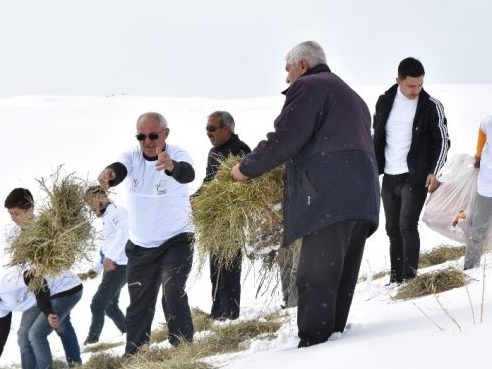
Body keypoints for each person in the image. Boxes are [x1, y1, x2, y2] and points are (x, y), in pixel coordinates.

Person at [231, 41, 380, 348]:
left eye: (288, 69)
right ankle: (333, 339)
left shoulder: (310, 86)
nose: (286, 79)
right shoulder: (350, 95)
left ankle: (313, 346)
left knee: (314, 277)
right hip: (361, 197)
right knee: (340, 277)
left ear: (302, 65)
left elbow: (286, 138)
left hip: (330, 196)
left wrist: (245, 168)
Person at [98, 111, 195, 355]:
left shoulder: (179, 154)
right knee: (139, 304)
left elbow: (188, 174)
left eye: (153, 135)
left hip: (177, 240)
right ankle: (135, 354)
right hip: (141, 246)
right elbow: (119, 168)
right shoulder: (132, 157)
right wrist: (110, 173)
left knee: (172, 290)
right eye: (142, 136)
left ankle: (182, 348)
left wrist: (171, 166)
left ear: (165, 134)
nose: (148, 141)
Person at [373, 57, 450, 283]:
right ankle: (396, 279)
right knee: (392, 230)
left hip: (415, 176)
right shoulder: (384, 101)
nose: (416, 90)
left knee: (407, 227)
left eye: (420, 84)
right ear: (398, 80)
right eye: (411, 85)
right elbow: (376, 136)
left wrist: (434, 171)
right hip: (389, 175)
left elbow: (443, 141)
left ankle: (410, 280)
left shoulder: (431, 105)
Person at [4, 188, 82, 367]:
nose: (13, 218)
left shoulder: (48, 227)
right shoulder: (14, 234)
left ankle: (76, 364)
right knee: (24, 336)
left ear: (30, 209)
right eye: (10, 214)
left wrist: (46, 261)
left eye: (16, 213)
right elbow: (20, 265)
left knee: (56, 328)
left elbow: (67, 258)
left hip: (60, 288)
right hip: (37, 292)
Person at [191, 111, 251, 320]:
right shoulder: (213, 152)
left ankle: (231, 314)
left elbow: (245, 184)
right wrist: (196, 197)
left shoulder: (240, 150)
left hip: (231, 218)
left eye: (212, 128)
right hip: (215, 219)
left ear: (227, 129)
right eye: (207, 128)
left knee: (230, 267)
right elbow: (209, 181)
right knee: (215, 267)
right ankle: (217, 313)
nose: (208, 133)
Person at [82, 185, 129, 345]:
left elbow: (125, 234)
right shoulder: (106, 217)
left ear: (100, 198)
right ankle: (130, 332)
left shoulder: (117, 212)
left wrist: (110, 257)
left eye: (91, 203)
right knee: (109, 306)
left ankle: (91, 342)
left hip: (120, 265)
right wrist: (95, 268)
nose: (91, 208)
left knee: (97, 304)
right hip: (112, 265)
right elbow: (106, 246)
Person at [463, 115, 492, 269]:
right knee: (478, 229)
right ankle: (470, 268)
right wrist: (479, 156)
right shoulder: (488, 122)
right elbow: (481, 137)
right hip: (487, 185)